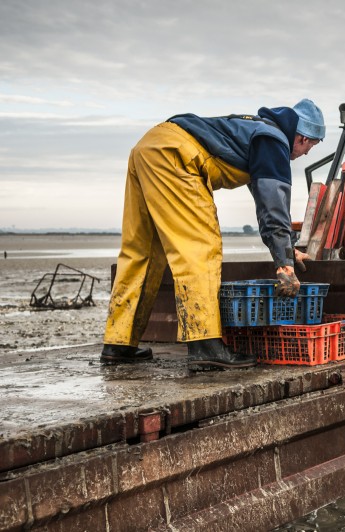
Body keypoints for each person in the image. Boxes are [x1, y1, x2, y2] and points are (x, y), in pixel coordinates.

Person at [100, 99, 325, 370]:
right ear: (301, 137)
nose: (306, 153)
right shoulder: (274, 140)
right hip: (176, 156)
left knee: (142, 251)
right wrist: (284, 265)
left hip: (150, 146)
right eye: (310, 146)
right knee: (200, 247)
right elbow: (273, 204)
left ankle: (119, 344)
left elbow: (268, 207)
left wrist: (287, 247)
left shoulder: (256, 129)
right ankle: (205, 344)